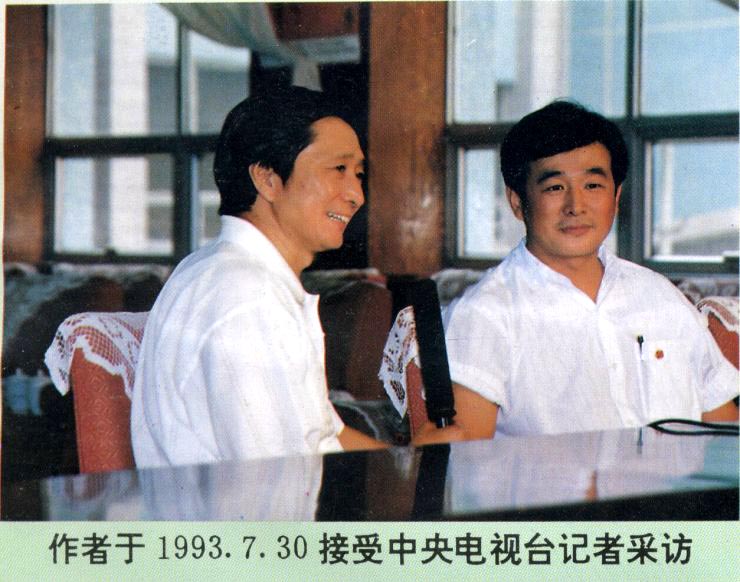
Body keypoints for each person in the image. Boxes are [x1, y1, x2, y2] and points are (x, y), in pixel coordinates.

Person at [436, 100, 738, 441]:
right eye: (555, 187)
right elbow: (467, 460)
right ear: (517, 202)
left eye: (593, 185)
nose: (575, 206)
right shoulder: (484, 314)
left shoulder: (660, 295)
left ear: (616, 196)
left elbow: (726, 430)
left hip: (682, 478)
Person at [131, 86, 385, 467]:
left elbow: (325, 434)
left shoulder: (229, 272)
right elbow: (280, 481)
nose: (356, 195)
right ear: (267, 179)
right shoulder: (245, 296)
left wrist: (415, 467)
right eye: (339, 170)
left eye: (358, 174)